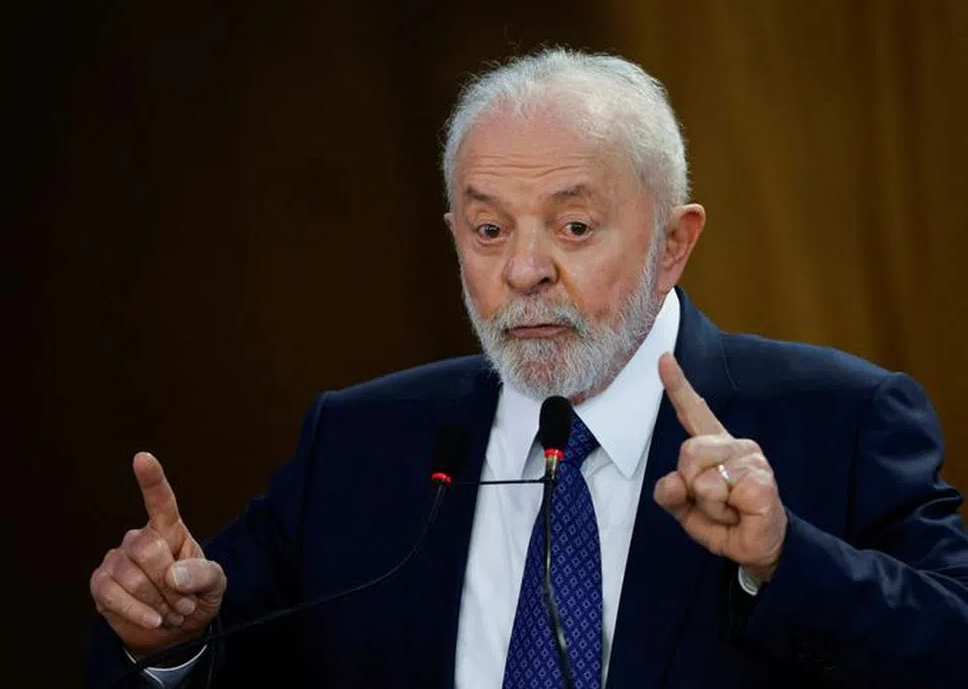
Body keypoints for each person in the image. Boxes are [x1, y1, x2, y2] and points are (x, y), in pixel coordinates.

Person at [87, 49, 968, 688]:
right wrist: (167, 641)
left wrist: (785, 559)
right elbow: (210, 648)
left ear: (674, 242)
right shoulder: (361, 441)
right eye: (489, 229)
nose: (524, 270)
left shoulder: (840, 419)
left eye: (574, 227)